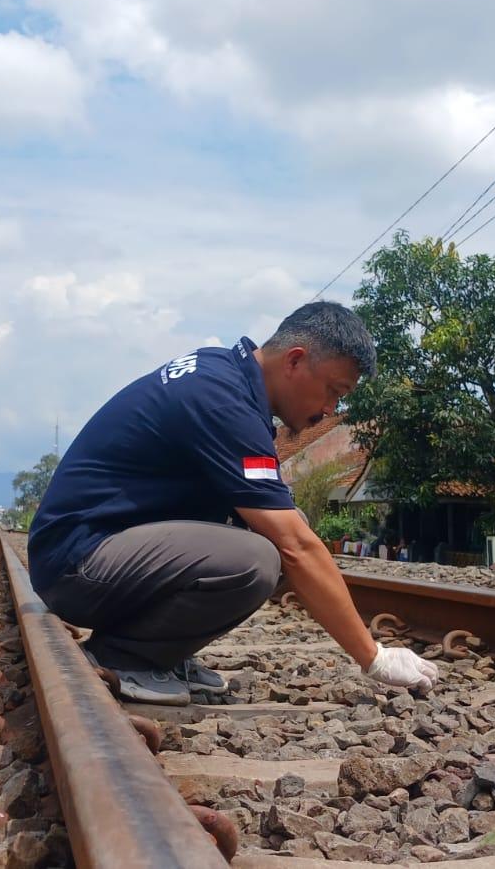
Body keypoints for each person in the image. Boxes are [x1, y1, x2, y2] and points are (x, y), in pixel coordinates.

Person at [27, 302, 440, 705]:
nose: (331, 409)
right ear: (294, 361)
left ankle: (161, 652)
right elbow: (296, 546)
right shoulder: (222, 400)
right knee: (261, 554)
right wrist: (374, 657)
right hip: (77, 562)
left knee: (276, 528)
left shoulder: (225, 376)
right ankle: (126, 657)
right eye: (334, 391)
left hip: (95, 550)